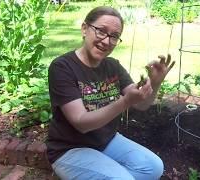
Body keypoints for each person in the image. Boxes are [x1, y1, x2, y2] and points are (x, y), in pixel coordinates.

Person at [46, 6, 175, 180]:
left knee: (153, 167)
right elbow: (81, 123)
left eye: (114, 36)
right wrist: (124, 102)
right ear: (85, 29)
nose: (106, 41)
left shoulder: (113, 66)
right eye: (101, 31)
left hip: (106, 141)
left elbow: (142, 104)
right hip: (69, 149)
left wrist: (156, 82)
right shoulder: (63, 67)